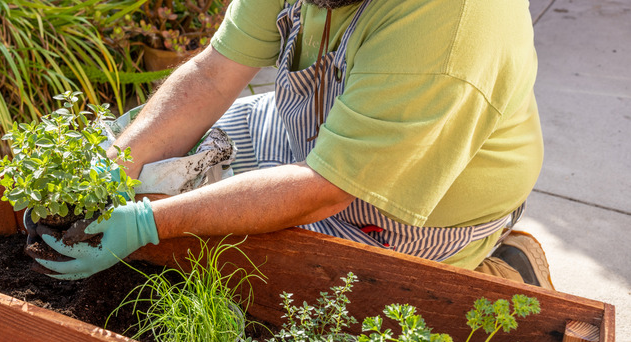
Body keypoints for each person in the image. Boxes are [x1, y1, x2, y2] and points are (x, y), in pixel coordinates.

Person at [31, 0, 554, 289]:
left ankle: (502, 266)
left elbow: (325, 190)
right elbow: (214, 74)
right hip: (313, 141)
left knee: (248, 275)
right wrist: (113, 168)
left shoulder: (448, 23)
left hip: (411, 214)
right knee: (159, 158)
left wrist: (148, 221)